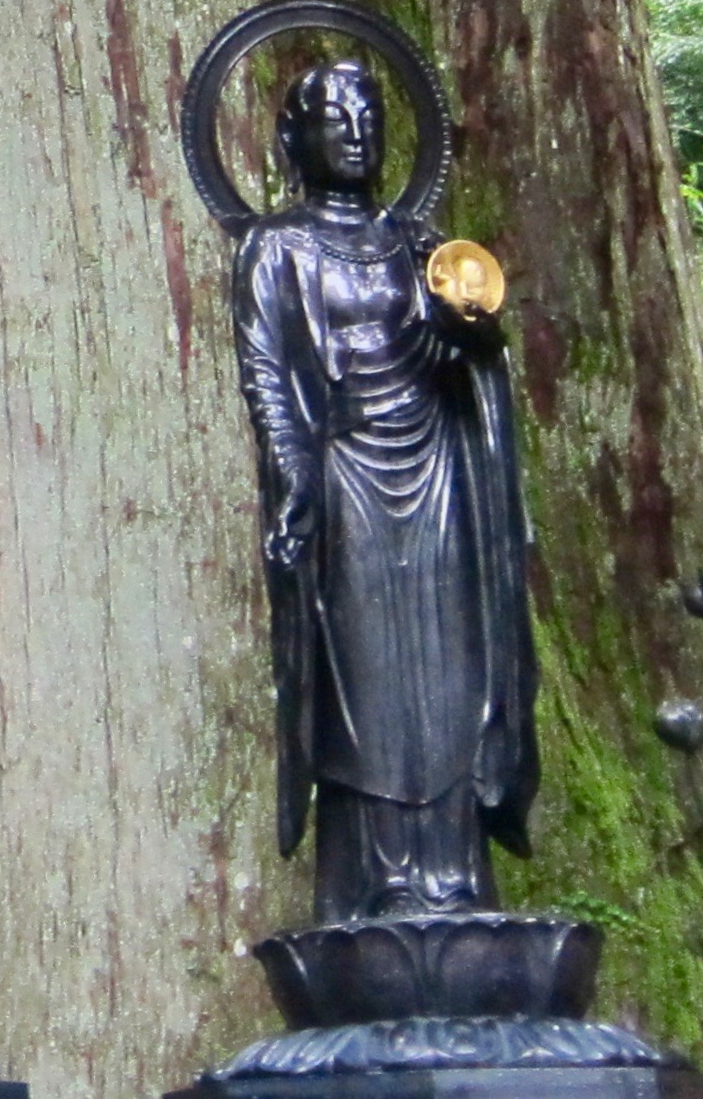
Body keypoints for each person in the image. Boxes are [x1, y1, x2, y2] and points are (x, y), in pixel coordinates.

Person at [233, 58, 536, 925]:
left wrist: (471, 337)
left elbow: (469, 358)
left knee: (449, 668)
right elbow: (266, 373)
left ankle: (455, 874)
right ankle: (378, 880)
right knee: (365, 679)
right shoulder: (276, 247)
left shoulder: (419, 246)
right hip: (345, 474)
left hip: (436, 466)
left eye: (368, 112)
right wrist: (294, 476)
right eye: (336, 115)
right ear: (299, 138)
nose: (357, 130)